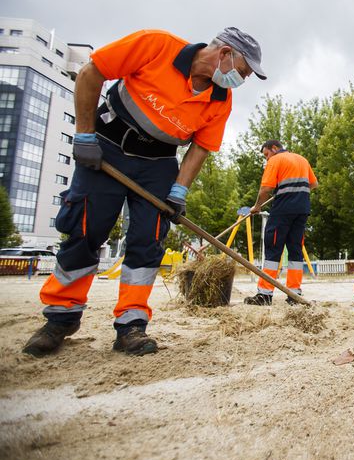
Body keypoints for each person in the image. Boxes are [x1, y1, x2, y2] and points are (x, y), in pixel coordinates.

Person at [22, 27, 267, 357]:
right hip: (106, 148)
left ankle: (131, 325)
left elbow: (200, 148)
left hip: (157, 164)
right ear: (224, 54)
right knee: (85, 230)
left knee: (147, 241)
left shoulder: (221, 99)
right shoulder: (156, 46)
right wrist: (84, 135)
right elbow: (91, 72)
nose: (243, 79)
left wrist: (178, 191)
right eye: (243, 71)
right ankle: (61, 318)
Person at [245, 140, 318, 305]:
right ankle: (294, 295)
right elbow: (314, 183)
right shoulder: (302, 159)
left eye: (266, 154)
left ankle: (264, 294)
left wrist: (256, 206)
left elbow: (265, 189)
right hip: (302, 210)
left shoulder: (275, 160)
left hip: (283, 211)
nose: (266, 159)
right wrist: (294, 189)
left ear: (274, 148)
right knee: (295, 251)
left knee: (272, 250)